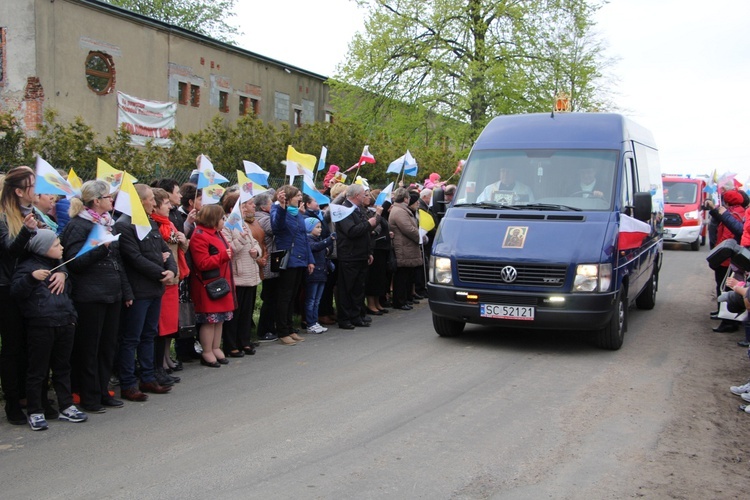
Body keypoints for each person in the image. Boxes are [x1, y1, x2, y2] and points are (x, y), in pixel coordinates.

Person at [61, 179, 133, 412]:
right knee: (89, 348)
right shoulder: (78, 226)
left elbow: (117, 261)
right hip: (90, 296)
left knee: (107, 346)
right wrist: (99, 249)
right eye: (108, 197)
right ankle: (88, 395)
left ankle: (103, 391)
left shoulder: (106, 224)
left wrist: (125, 290)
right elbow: (74, 262)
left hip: (111, 293)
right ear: (96, 201)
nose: (112, 200)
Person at [0, 166, 64, 425]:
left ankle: (36, 399)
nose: (38, 191)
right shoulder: (4, 217)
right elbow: (9, 253)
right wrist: (27, 230)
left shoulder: (35, 213)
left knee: (35, 345)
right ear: (18, 191)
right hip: (8, 289)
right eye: (32, 186)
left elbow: (52, 247)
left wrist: (63, 273)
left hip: (33, 286)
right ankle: (13, 403)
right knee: (14, 347)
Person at [11, 229, 87, 430]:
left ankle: (66, 405)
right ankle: (35, 410)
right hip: (42, 325)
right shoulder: (27, 267)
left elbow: (67, 291)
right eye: (56, 245)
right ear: (43, 248)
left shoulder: (59, 267)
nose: (61, 247)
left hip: (65, 321)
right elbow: (16, 292)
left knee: (63, 368)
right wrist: (31, 278)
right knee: (38, 371)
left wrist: (63, 275)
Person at [115, 184, 177, 401]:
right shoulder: (124, 226)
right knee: (131, 338)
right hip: (139, 289)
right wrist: (161, 271)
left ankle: (148, 377)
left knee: (149, 335)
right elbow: (134, 258)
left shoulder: (148, 222)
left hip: (154, 288)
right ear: (140, 201)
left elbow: (165, 251)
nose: (154, 202)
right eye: (150, 198)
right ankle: (129, 383)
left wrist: (171, 270)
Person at [189, 204, 236, 367]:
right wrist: (223, 256)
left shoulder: (217, 233)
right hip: (208, 284)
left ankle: (215, 347)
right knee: (210, 320)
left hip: (221, 281)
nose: (224, 221)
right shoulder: (200, 235)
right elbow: (201, 263)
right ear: (213, 219)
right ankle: (207, 351)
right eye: (222, 218)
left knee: (220, 319)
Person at [150, 187, 188, 386]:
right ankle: (158, 366)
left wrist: (183, 240)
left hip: (175, 277)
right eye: (166, 203)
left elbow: (180, 248)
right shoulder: (154, 225)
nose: (170, 206)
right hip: (164, 280)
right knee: (160, 326)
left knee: (169, 326)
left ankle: (164, 362)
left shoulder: (170, 224)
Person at [271, 185, 314, 345]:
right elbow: (277, 226)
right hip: (287, 259)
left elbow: (304, 238)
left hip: (300, 259)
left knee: (292, 296)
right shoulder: (278, 210)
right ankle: (282, 330)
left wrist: (310, 260)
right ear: (288, 198)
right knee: (284, 296)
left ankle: (290, 328)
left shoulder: (298, 214)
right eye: (297, 196)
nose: (300, 198)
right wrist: (282, 207)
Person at [335, 183, 382, 329]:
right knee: (347, 288)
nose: (365, 197)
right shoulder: (344, 210)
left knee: (358, 288)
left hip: (360, 254)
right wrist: (369, 223)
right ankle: (344, 318)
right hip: (349, 255)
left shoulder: (358, 209)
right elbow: (352, 231)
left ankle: (356, 316)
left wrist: (368, 252)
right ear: (356, 195)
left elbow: (366, 233)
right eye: (363, 194)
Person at [221, 192, 262, 357]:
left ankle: (244, 341)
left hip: (250, 273)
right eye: (247, 204)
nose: (251, 207)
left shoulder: (243, 224)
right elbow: (229, 250)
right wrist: (243, 240)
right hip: (237, 275)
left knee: (247, 312)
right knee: (235, 313)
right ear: (234, 208)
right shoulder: (226, 225)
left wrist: (257, 251)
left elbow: (256, 243)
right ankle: (231, 344)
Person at [389, 189, 424, 310]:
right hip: (403, 247)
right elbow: (408, 229)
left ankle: (404, 299)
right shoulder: (399, 211)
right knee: (401, 277)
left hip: (406, 246)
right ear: (405, 199)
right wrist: (420, 236)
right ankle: (399, 301)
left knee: (406, 276)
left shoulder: (401, 210)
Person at [254, 191, 279, 342]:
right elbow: (275, 227)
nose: (274, 207)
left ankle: (271, 326)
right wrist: (280, 210)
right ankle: (264, 329)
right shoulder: (262, 219)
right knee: (269, 298)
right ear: (263, 207)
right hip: (268, 263)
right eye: (272, 204)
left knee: (273, 297)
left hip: (273, 262)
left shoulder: (266, 216)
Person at [304, 217, 335, 334]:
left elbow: (323, 253)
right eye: (317, 227)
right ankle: (310, 323)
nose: (320, 229)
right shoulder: (308, 240)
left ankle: (315, 321)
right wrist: (329, 240)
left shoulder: (318, 239)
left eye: (320, 227)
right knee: (311, 300)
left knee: (317, 300)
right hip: (313, 274)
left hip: (322, 273)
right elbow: (316, 248)